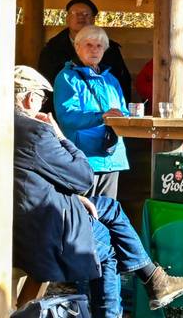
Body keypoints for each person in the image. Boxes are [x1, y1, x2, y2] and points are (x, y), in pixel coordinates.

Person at [13, 66, 183, 318]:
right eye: (40, 97)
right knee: (101, 237)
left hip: (23, 219)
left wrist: (72, 196)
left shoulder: (1, 127)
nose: (43, 104)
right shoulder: (36, 133)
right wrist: (59, 134)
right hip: (42, 230)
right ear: (27, 100)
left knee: (108, 206)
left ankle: (154, 279)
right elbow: (83, 176)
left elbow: (32, 178)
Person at [53, 25, 130, 199]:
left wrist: (127, 119)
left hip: (112, 156)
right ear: (77, 47)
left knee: (108, 212)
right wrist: (101, 118)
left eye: (99, 46)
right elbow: (67, 116)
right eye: (89, 45)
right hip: (84, 158)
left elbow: (123, 111)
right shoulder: (67, 77)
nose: (94, 50)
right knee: (84, 214)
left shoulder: (111, 80)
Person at [135, 12, 183, 150]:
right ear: (181, 35)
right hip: (171, 128)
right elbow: (141, 84)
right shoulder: (167, 59)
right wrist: (170, 102)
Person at [38, 0, 132, 100]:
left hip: (107, 110)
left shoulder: (110, 49)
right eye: (75, 13)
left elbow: (123, 82)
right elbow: (44, 82)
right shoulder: (52, 48)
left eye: (86, 14)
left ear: (93, 19)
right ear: (67, 19)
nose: (80, 17)